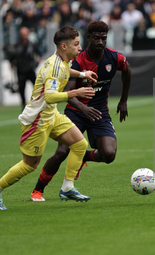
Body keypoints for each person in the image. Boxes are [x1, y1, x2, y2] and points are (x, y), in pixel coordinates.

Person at [0, 26, 98, 210]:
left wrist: (83, 74)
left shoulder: (61, 60)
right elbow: (50, 96)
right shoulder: (54, 66)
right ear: (63, 46)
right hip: (36, 121)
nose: (80, 48)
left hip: (51, 115)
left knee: (79, 144)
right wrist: (75, 92)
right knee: (30, 165)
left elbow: (66, 71)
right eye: (76, 44)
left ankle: (67, 187)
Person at [30, 20, 131, 202]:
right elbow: (68, 93)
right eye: (97, 38)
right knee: (61, 152)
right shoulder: (77, 61)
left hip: (99, 112)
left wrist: (123, 100)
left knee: (109, 155)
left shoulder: (114, 57)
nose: (100, 42)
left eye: (104, 38)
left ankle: (83, 156)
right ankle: (38, 190)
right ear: (89, 38)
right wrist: (84, 108)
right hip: (76, 111)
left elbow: (127, 70)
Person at [4, 27, 42, 110]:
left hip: (30, 70)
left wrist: (37, 62)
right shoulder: (17, 46)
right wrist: (11, 64)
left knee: (37, 87)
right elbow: (11, 56)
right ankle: (23, 106)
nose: (24, 36)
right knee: (21, 89)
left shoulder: (32, 45)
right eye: (22, 34)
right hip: (20, 71)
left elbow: (39, 54)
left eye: (25, 34)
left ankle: (39, 103)